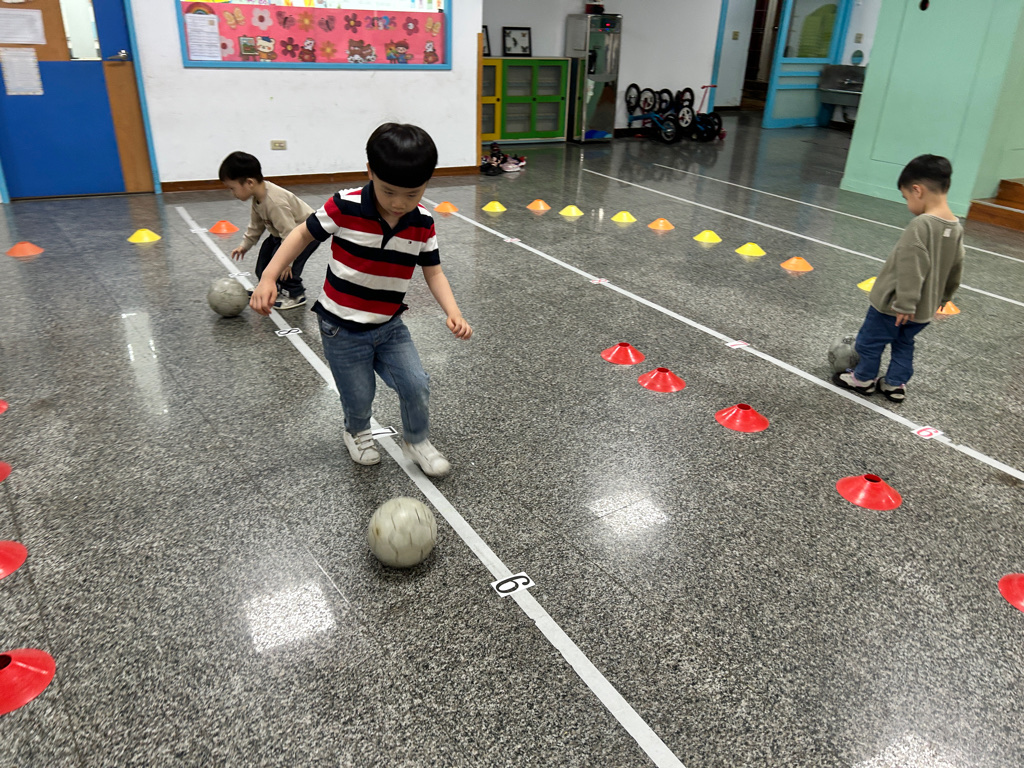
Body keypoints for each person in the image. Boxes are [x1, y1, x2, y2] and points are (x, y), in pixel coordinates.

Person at [249, 123, 472, 476]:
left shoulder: (423, 222)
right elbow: (301, 235)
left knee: (416, 383)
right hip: (341, 328)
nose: (399, 203)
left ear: (427, 183)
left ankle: (416, 440)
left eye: (412, 194)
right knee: (358, 394)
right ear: (370, 172)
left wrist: (453, 311)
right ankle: (356, 431)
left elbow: (434, 272)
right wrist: (268, 276)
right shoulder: (345, 206)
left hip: (389, 325)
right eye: (388, 191)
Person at [833, 154, 964, 402]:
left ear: (917, 190)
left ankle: (863, 379)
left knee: (869, 342)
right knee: (904, 343)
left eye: (906, 197)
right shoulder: (955, 227)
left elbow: (911, 265)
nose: (907, 204)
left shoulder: (922, 224)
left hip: (893, 306)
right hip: (924, 309)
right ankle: (894, 384)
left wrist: (905, 303)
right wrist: (945, 296)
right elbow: (957, 266)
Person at [219, 151, 319, 310]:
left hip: (305, 234)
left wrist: (287, 262)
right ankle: (269, 288)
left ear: (249, 183)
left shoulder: (275, 202)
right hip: (282, 234)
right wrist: (245, 245)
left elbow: (290, 233)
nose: (232, 193)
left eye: (232, 188)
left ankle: (296, 295)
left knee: (283, 268)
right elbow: (256, 226)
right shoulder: (257, 198)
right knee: (265, 260)